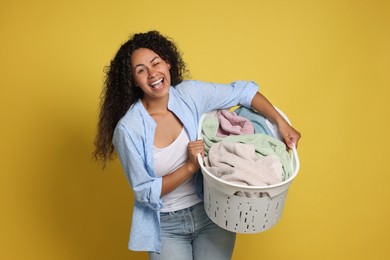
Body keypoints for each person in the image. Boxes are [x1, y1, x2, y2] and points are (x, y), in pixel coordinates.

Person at [93, 30, 301, 260]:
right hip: (166, 226)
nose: (153, 74)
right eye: (141, 70)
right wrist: (190, 168)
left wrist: (281, 123)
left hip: (212, 213)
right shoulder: (128, 129)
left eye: (156, 63)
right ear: (133, 80)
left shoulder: (189, 95)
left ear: (168, 63)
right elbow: (145, 191)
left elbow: (244, 91)